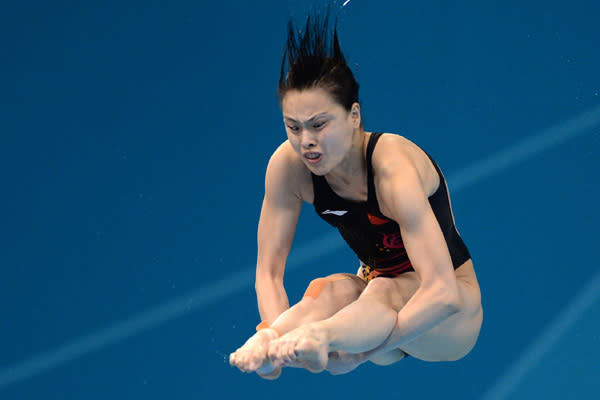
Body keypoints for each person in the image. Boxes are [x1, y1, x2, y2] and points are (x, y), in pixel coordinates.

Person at [229, 10, 483, 380]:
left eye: (319, 124)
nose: (306, 141)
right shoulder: (288, 167)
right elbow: (268, 273)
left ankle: (322, 334)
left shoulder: (393, 169)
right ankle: (269, 343)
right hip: (369, 310)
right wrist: (272, 327)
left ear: (354, 115)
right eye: (292, 127)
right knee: (329, 290)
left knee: (381, 291)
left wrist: (361, 354)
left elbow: (442, 292)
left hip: (450, 316)